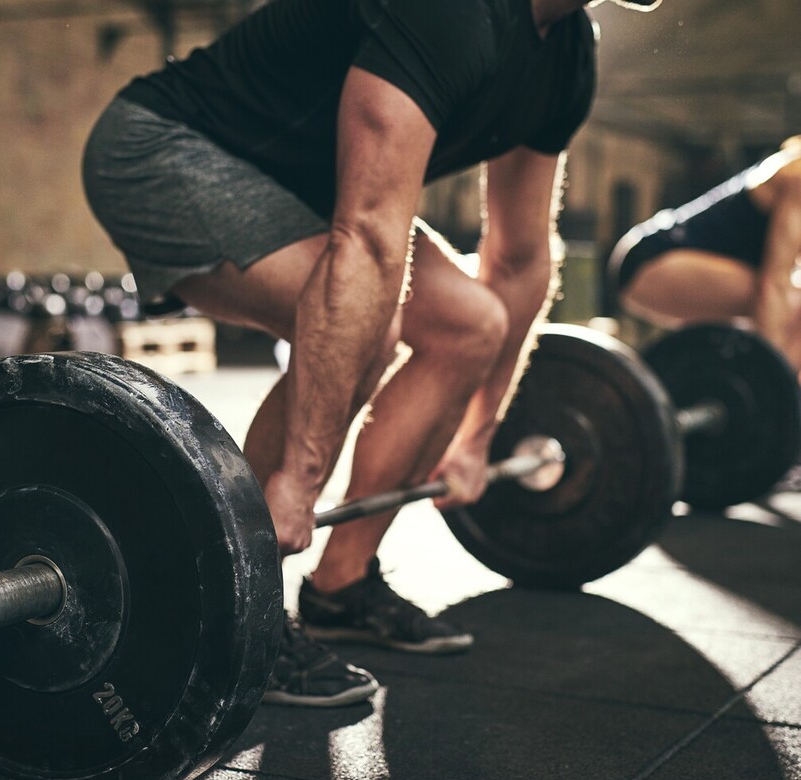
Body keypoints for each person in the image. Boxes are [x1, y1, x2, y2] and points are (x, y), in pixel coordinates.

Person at [83, 0, 662, 708]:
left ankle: (342, 586)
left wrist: (479, 434)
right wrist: (298, 479)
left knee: (469, 325)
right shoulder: (456, 12)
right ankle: (229, 615)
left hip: (301, 190)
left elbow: (516, 260)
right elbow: (366, 235)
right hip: (165, 150)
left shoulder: (565, 51)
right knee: (367, 331)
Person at [609, 136, 801, 369]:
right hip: (650, 260)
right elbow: (773, 283)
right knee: (791, 302)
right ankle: (778, 393)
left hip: (665, 260)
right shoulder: (797, 173)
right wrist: (775, 381)